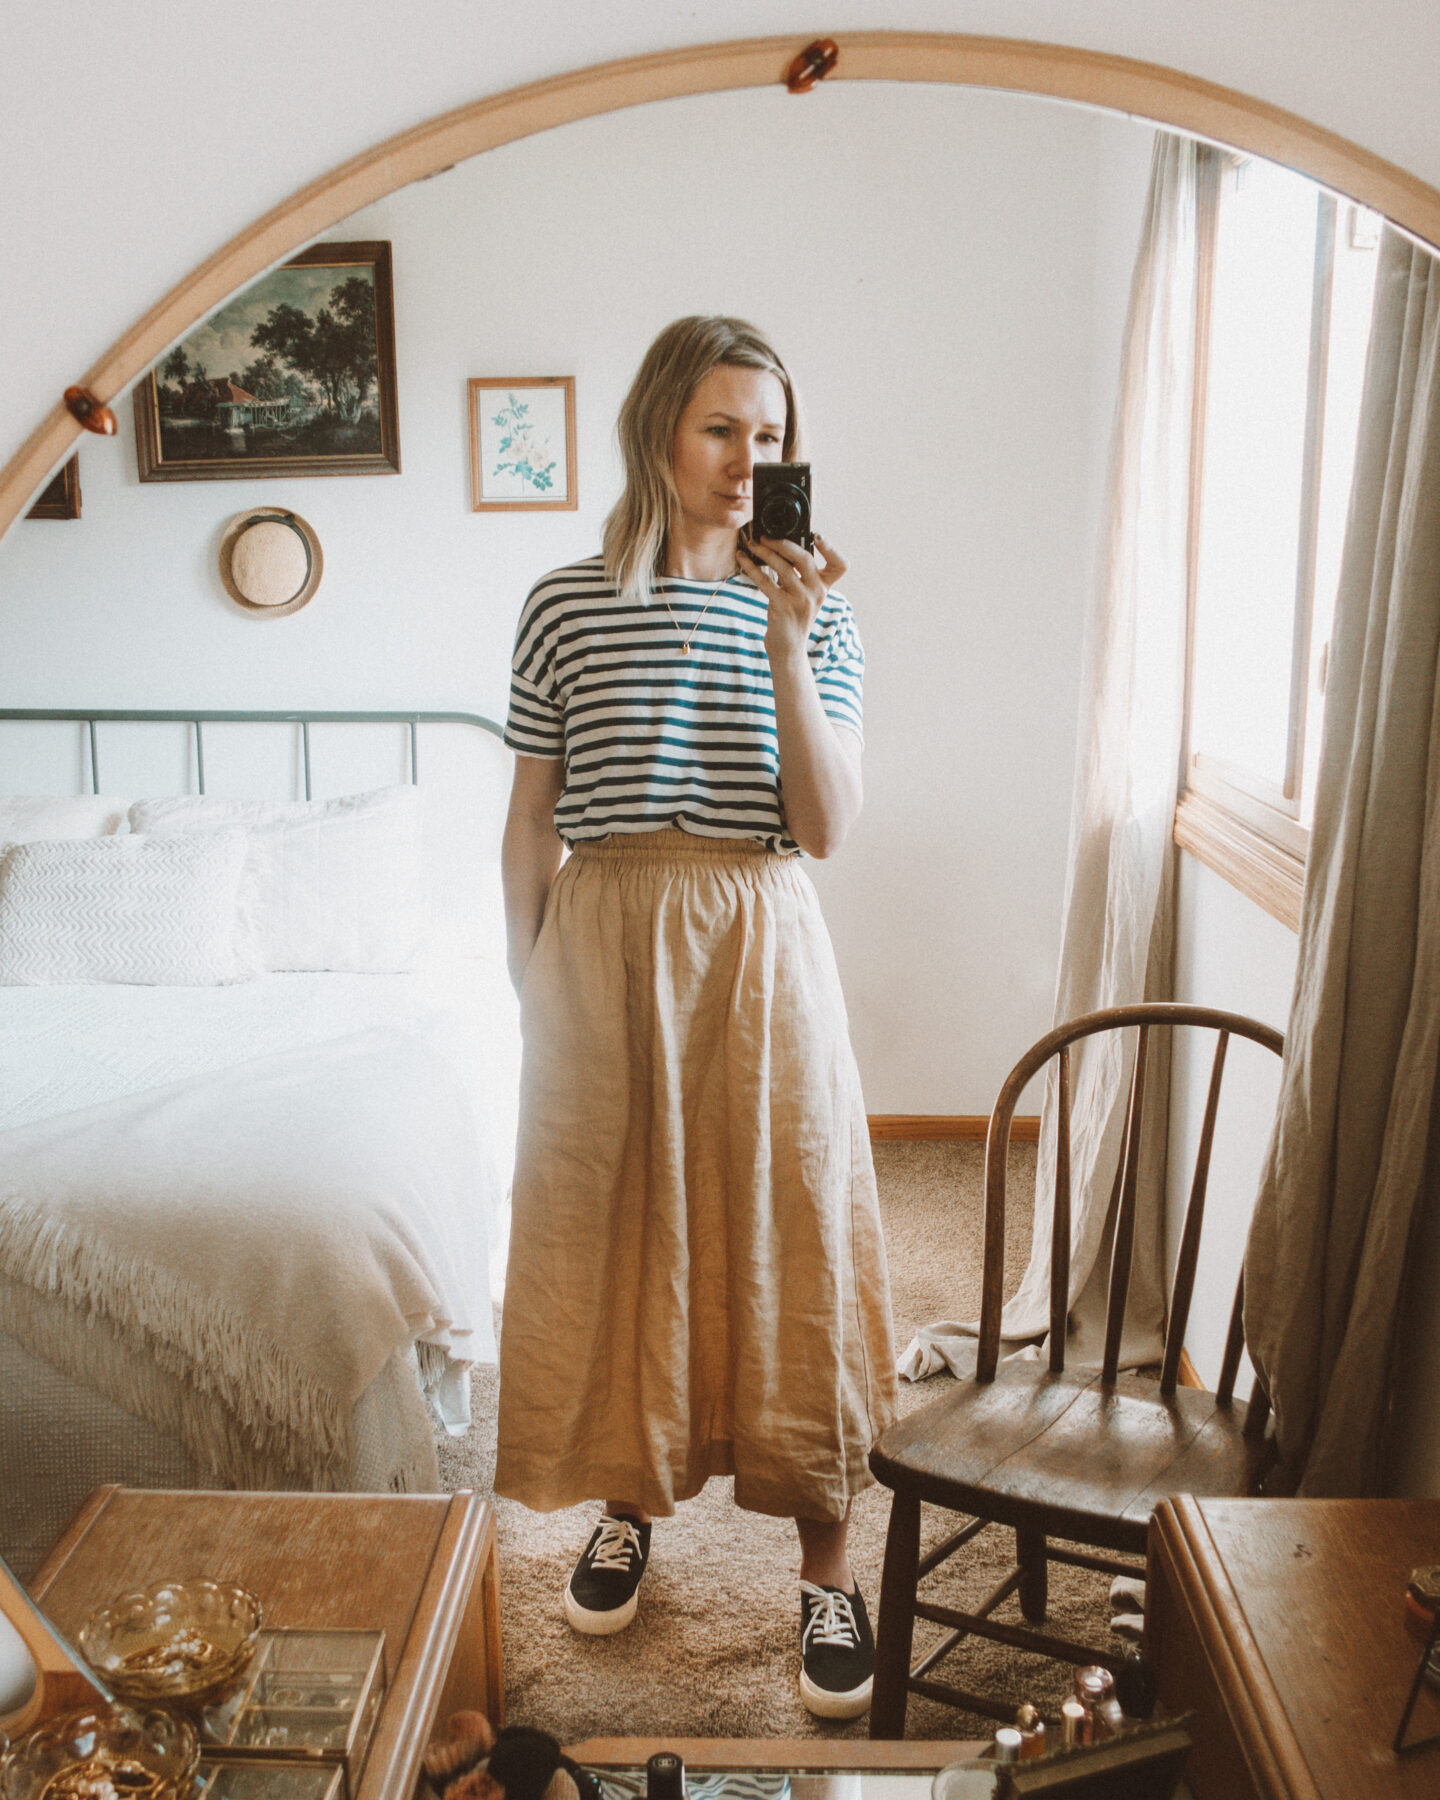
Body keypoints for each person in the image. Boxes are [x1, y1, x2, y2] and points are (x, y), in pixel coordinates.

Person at [495, 315, 897, 1720]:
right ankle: (629, 1507)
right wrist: (527, 975)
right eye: (722, 428)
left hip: (758, 930)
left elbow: (828, 827)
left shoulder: (823, 611)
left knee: (790, 1225)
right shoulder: (563, 602)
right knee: (616, 1229)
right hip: (602, 939)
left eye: (770, 435)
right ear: (659, 430)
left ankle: (827, 1570)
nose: (747, 462)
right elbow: (531, 819)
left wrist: (788, 639)